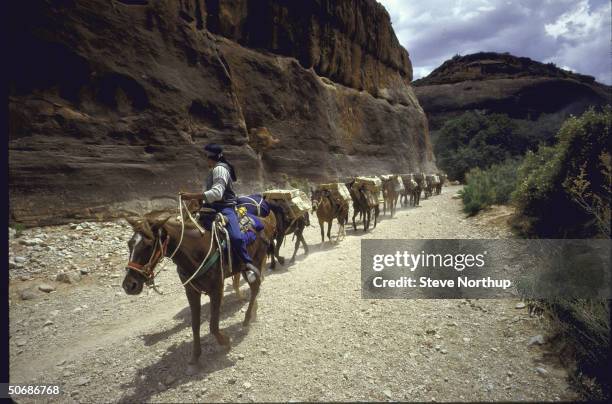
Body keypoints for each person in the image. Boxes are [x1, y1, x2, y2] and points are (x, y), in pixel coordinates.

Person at [180, 144, 260, 283]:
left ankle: (247, 264)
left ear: (210, 158)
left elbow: (217, 193)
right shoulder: (214, 169)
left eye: (206, 157)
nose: (206, 160)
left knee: (236, 237)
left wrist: (192, 195)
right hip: (210, 208)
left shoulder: (220, 169)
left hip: (225, 208)